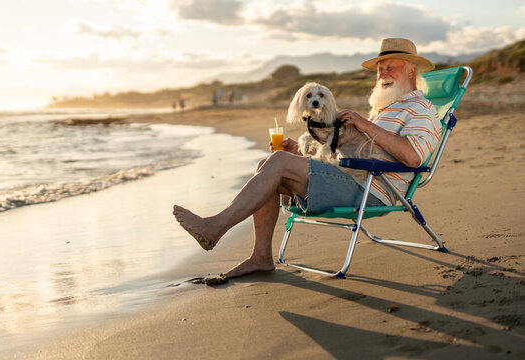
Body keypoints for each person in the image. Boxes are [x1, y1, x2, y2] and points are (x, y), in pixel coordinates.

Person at [173, 38, 441, 279]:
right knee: (269, 163)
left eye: (390, 67)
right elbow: (349, 153)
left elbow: (413, 157)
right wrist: (301, 154)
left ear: (411, 69)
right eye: (380, 68)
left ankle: (214, 227)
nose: (382, 73)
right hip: (351, 176)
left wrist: (365, 124)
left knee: (277, 162)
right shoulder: (385, 109)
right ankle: (261, 257)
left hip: (373, 189)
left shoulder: (421, 109)